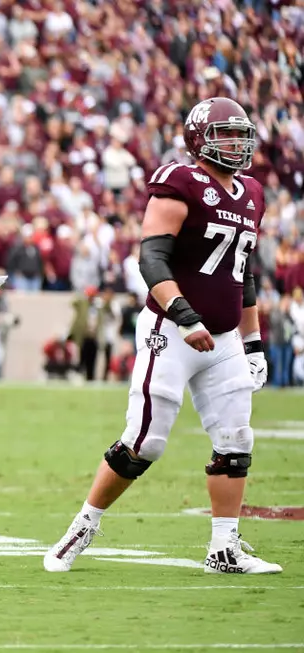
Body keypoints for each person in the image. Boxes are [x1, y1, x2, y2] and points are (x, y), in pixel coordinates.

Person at [43, 97, 281, 575]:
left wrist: (253, 342)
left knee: (237, 441)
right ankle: (83, 525)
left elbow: (243, 274)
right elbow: (151, 259)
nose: (236, 144)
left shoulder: (252, 192)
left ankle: (224, 547)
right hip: (171, 329)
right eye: (225, 135)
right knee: (145, 441)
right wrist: (187, 316)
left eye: (240, 134)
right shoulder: (179, 182)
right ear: (199, 140)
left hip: (225, 336)